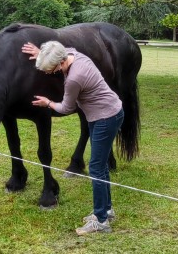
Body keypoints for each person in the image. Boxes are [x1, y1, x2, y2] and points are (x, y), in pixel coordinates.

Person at [22, 40, 124, 236]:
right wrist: (41, 53)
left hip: (105, 117)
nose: (49, 73)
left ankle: (101, 220)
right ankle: (107, 210)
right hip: (105, 113)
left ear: (60, 64)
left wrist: (48, 103)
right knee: (100, 166)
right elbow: (58, 48)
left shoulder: (74, 79)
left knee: (95, 168)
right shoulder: (72, 54)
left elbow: (67, 108)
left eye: (51, 69)